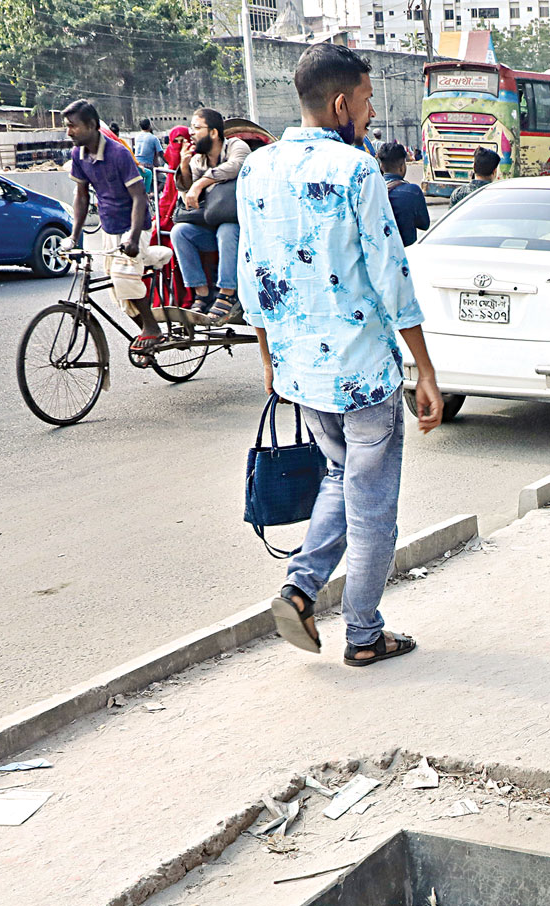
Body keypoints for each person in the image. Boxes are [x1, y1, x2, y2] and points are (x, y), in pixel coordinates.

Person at [240, 44, 444, 668]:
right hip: (362, 374)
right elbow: (391, 276)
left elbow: (252, 274)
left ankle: (300, 591)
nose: (371, 110)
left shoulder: (256, 168)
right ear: (339, 105)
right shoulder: (357, 171)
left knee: (339, 475)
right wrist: (425, 368)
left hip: (302, 371)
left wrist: (269, 360)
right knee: (373, 505)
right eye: (366, 99)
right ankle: (364, 633)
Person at [62, 99, 158, 350]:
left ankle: (153, 328)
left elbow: (139, 197)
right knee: (116, 292)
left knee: (123, 276)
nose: (69, 132)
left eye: (73, 126)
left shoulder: (118, 153)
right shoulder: (78, 154)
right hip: (109, 227)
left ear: (92, 125)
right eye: (67, 126)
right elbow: (81, 196)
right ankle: (147, 335)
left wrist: (133, 238)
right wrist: (73, 237)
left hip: (135, 226)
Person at [170, 107, 252, 323]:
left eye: (197, 128)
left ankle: (227, 293)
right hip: (209, 224)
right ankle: (202, 292)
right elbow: (188, 197)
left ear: (214, 132)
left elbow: (237, 166)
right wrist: (184, 167)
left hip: (240, 228)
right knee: (180, 232)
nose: (191, 133)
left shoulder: (236, 146)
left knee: (227, 229)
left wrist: (202, 183)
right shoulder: (199, 160)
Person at [378, 140, 430, 247]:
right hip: (406, 252)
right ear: (402, 166)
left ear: (381, 166)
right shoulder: (413, 191)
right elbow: (424, 224)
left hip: (380, 252)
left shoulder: (372, 190)